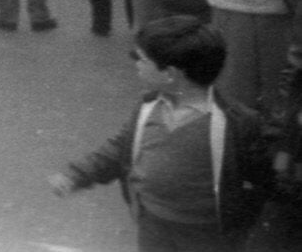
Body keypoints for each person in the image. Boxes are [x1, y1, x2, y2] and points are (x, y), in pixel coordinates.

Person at [49, 15, 272, 251]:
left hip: (208, 232)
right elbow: (119, 148)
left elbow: (261, 178)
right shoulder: (148, 108)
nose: (135, 63)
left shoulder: (235, 123)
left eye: (141, 59)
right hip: (152, 222)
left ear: (170, 74)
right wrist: (77, 175)